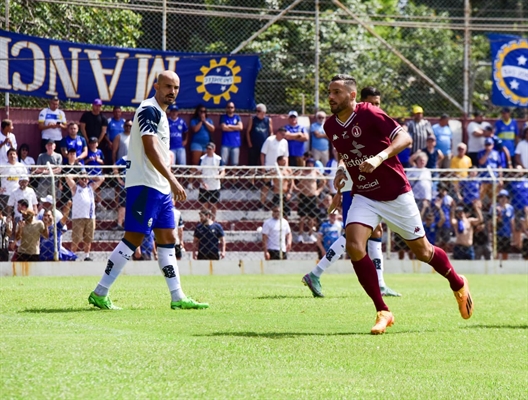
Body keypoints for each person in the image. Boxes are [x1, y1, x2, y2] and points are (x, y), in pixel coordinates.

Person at [315, 74, 473, 334]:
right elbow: (345, 153)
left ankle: (457, 283)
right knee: (355, 246)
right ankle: (383, 311)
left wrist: (379, 158)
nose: (330, 96)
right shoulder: (330, 126)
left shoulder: (372, 113)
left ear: (352, 95)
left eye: (336, 92)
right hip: (364, 194)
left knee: (423, 252)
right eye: (329, 91)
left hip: (396, 194)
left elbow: (405, 139)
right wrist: (341, 176)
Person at [88, 70, 208, 310]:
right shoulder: (149, 109)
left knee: (168, 239)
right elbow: (150, 148)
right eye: (167, 86)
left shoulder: (161, 114)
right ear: (156, 86)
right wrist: (173, 180)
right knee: (134, 239)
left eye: (175, 87)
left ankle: (178, 297)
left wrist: (168, 183)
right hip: (146, 184)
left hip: (159, 187)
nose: (171, 91)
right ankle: (100, 292)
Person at [302, 86, 401, 298]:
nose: (376, 107)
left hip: (367, 184)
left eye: (378, 103)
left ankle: (381, 283)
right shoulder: (355, 120)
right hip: (355, 185)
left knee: (375, 232)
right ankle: (315, 273)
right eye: (372, 103)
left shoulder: (373, 121)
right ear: (362, 103)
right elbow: (344, 154)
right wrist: (340, 179)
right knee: (351, 236)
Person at [65, 173, 105, 261]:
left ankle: (87, 255)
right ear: (79, 179)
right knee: (76, 238)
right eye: (82, 179)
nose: (84, 180)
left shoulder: (90, 188)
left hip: (90, 217)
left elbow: (102, 178)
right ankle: (72, 255)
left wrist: (89, 176)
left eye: (86, 179)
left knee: (88, 238)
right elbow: (68, 177)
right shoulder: (75, 188)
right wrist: (78, 175)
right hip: (78, 217)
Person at [293, 157, 324, 243]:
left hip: (312, 196)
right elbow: (292, 177)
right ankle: (300, 235)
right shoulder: (302, 171)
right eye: (309, 163)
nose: (310, 165)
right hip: (303, 196)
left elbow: (323, 181)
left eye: (311, 163)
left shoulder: (315, 171)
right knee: (302, 217)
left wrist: (319, 190)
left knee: (312, 217)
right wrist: (295, 187)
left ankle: (310, 234)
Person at [260, 127, 289, 207]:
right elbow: (262, 154)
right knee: (266, 186)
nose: (284, 136)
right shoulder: (269, 140)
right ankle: (261, 204)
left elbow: (286, 156)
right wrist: (263, 167)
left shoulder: (285, 142)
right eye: (282, 134)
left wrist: (286, 168)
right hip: (269, 168)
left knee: (279, 187)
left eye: (285, 135)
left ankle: (278, 206)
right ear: (278, 133)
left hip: (280, 170)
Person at [198, 142, 225, 217]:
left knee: (214, 204)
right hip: (204, 184)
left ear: (214, 149)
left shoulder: (218, 159)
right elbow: (198, 172)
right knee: (204, 203)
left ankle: (213, 220)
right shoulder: (202, 159)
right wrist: (202, 182)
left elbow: (222, 170)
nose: (208, 150)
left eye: (210, 149)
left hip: (215, 185)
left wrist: (220, 176)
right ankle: (204, 219)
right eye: (207, 149)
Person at [220, 101, 243, 166]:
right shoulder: (223, 117)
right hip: (225, 144)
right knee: (223, 164)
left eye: (232, 107)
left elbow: (240, 127)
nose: (230, 109)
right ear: (226, 108)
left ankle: (234, 176)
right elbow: (224, 128)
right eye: (229, 107)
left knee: (235, 164)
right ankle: (223, 176)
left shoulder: (237, 117)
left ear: (234, 108)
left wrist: (229, 126)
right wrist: (235, 127)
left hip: (235, 144)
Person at [494, 189, 514, 261]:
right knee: (496, 252)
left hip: (507, 233)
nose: (503, 198)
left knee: (505, 252)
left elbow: (512, 221)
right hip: (497, 233)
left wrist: (512, 233)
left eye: (505, 197)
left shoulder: (510, 208)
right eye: (501, 197)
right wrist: (499, 215)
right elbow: (492, 221)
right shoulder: (494, 207)